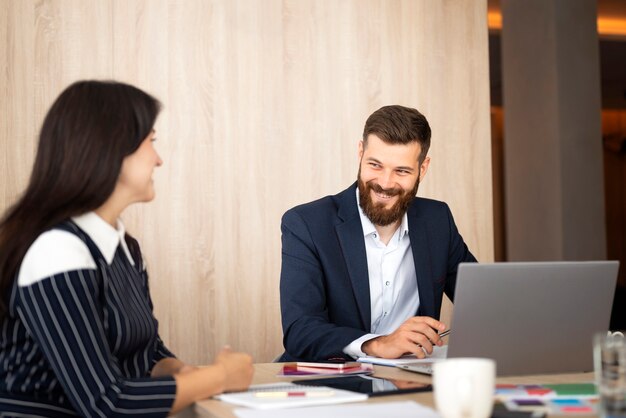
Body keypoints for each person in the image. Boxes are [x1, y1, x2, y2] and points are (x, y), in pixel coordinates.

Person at [0, 80, 253, 417]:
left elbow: (146, 355)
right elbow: (107, 403)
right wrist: (219, 376)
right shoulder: (56, 251)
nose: (159, 160)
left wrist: (184, 372)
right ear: (112, 150)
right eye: (151, 142)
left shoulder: (125, 249)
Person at [279, 105, 476, 362]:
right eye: (375, 165)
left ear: (423, 168)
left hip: (410, 380)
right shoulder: (306, 224)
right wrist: (378, 345)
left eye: (402, 171)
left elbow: (484, 304)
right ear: (360, 153)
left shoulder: (437, 221)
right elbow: (300, 331)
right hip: (331, 383)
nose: (385, 183)